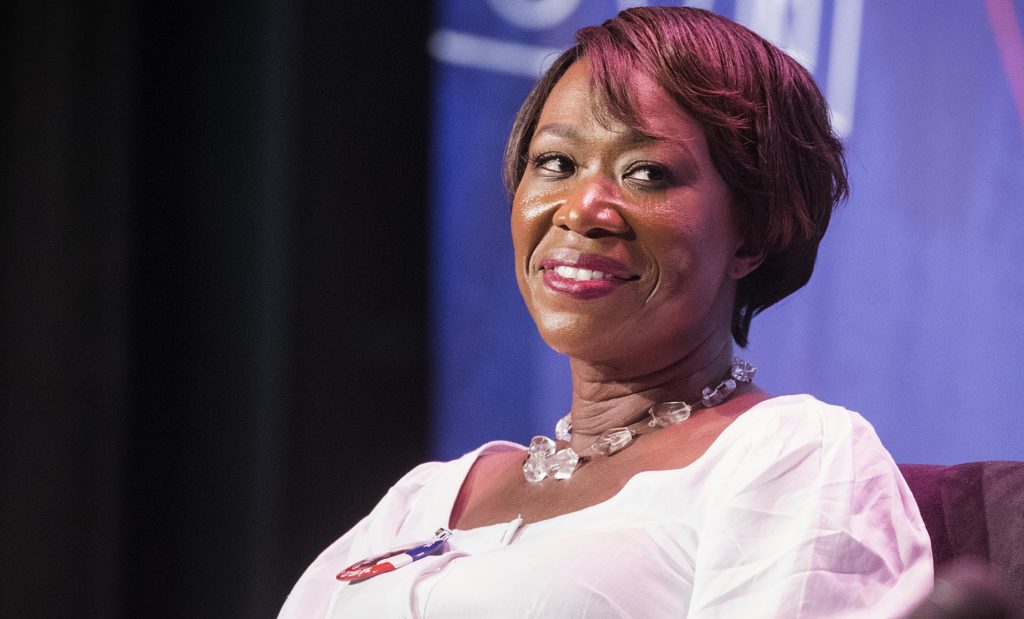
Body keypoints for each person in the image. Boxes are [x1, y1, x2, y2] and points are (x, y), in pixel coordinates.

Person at [279, 7, 933, 617]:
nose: (582, 208)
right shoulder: (423, 498)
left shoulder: (791, 455)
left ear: (754, 232)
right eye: (555, 163)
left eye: (646, 172)